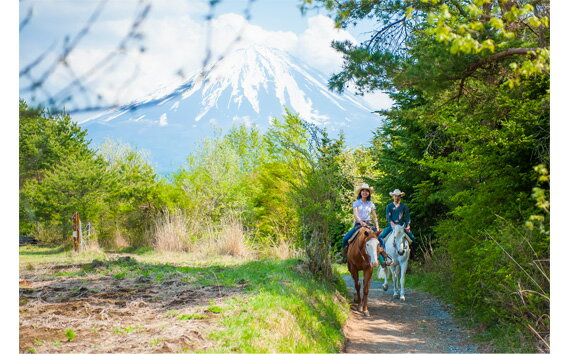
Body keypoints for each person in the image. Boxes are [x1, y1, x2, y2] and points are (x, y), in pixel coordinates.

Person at [338, 183, 392, 266]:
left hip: (369, 224)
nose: (365, 192)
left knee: (380, 239)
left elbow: (374, 216)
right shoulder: (356, 203)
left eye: (367, 191)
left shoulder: (371, 204)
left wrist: (377, 227)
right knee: (345, 238)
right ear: (360, 192)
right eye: (363, 191)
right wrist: (361, 222)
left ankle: (384, 257)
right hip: (358, 225)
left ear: (369, 193)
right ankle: (344, 257)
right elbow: (355, 215)